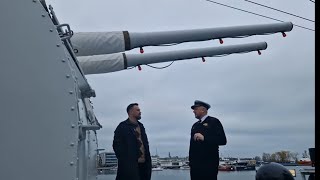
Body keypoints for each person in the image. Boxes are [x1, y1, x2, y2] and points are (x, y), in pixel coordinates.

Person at [189, 100, 227, 180]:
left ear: (203, 109)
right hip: (195, 166)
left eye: (195, 109)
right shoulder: (195, 125)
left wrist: (204, 138)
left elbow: (222, 140)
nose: (193, 111)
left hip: (209, 165)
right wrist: (191, 163)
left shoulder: (214, 122)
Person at [112, 103, 152, 180]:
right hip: (129, 167)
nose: (140, 112)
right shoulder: (122, 126)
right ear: (130, 112)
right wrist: (126, 161)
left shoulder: (141, 126)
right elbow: (116, 146)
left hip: (144, 167)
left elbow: (145, 145)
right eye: (137, 110)